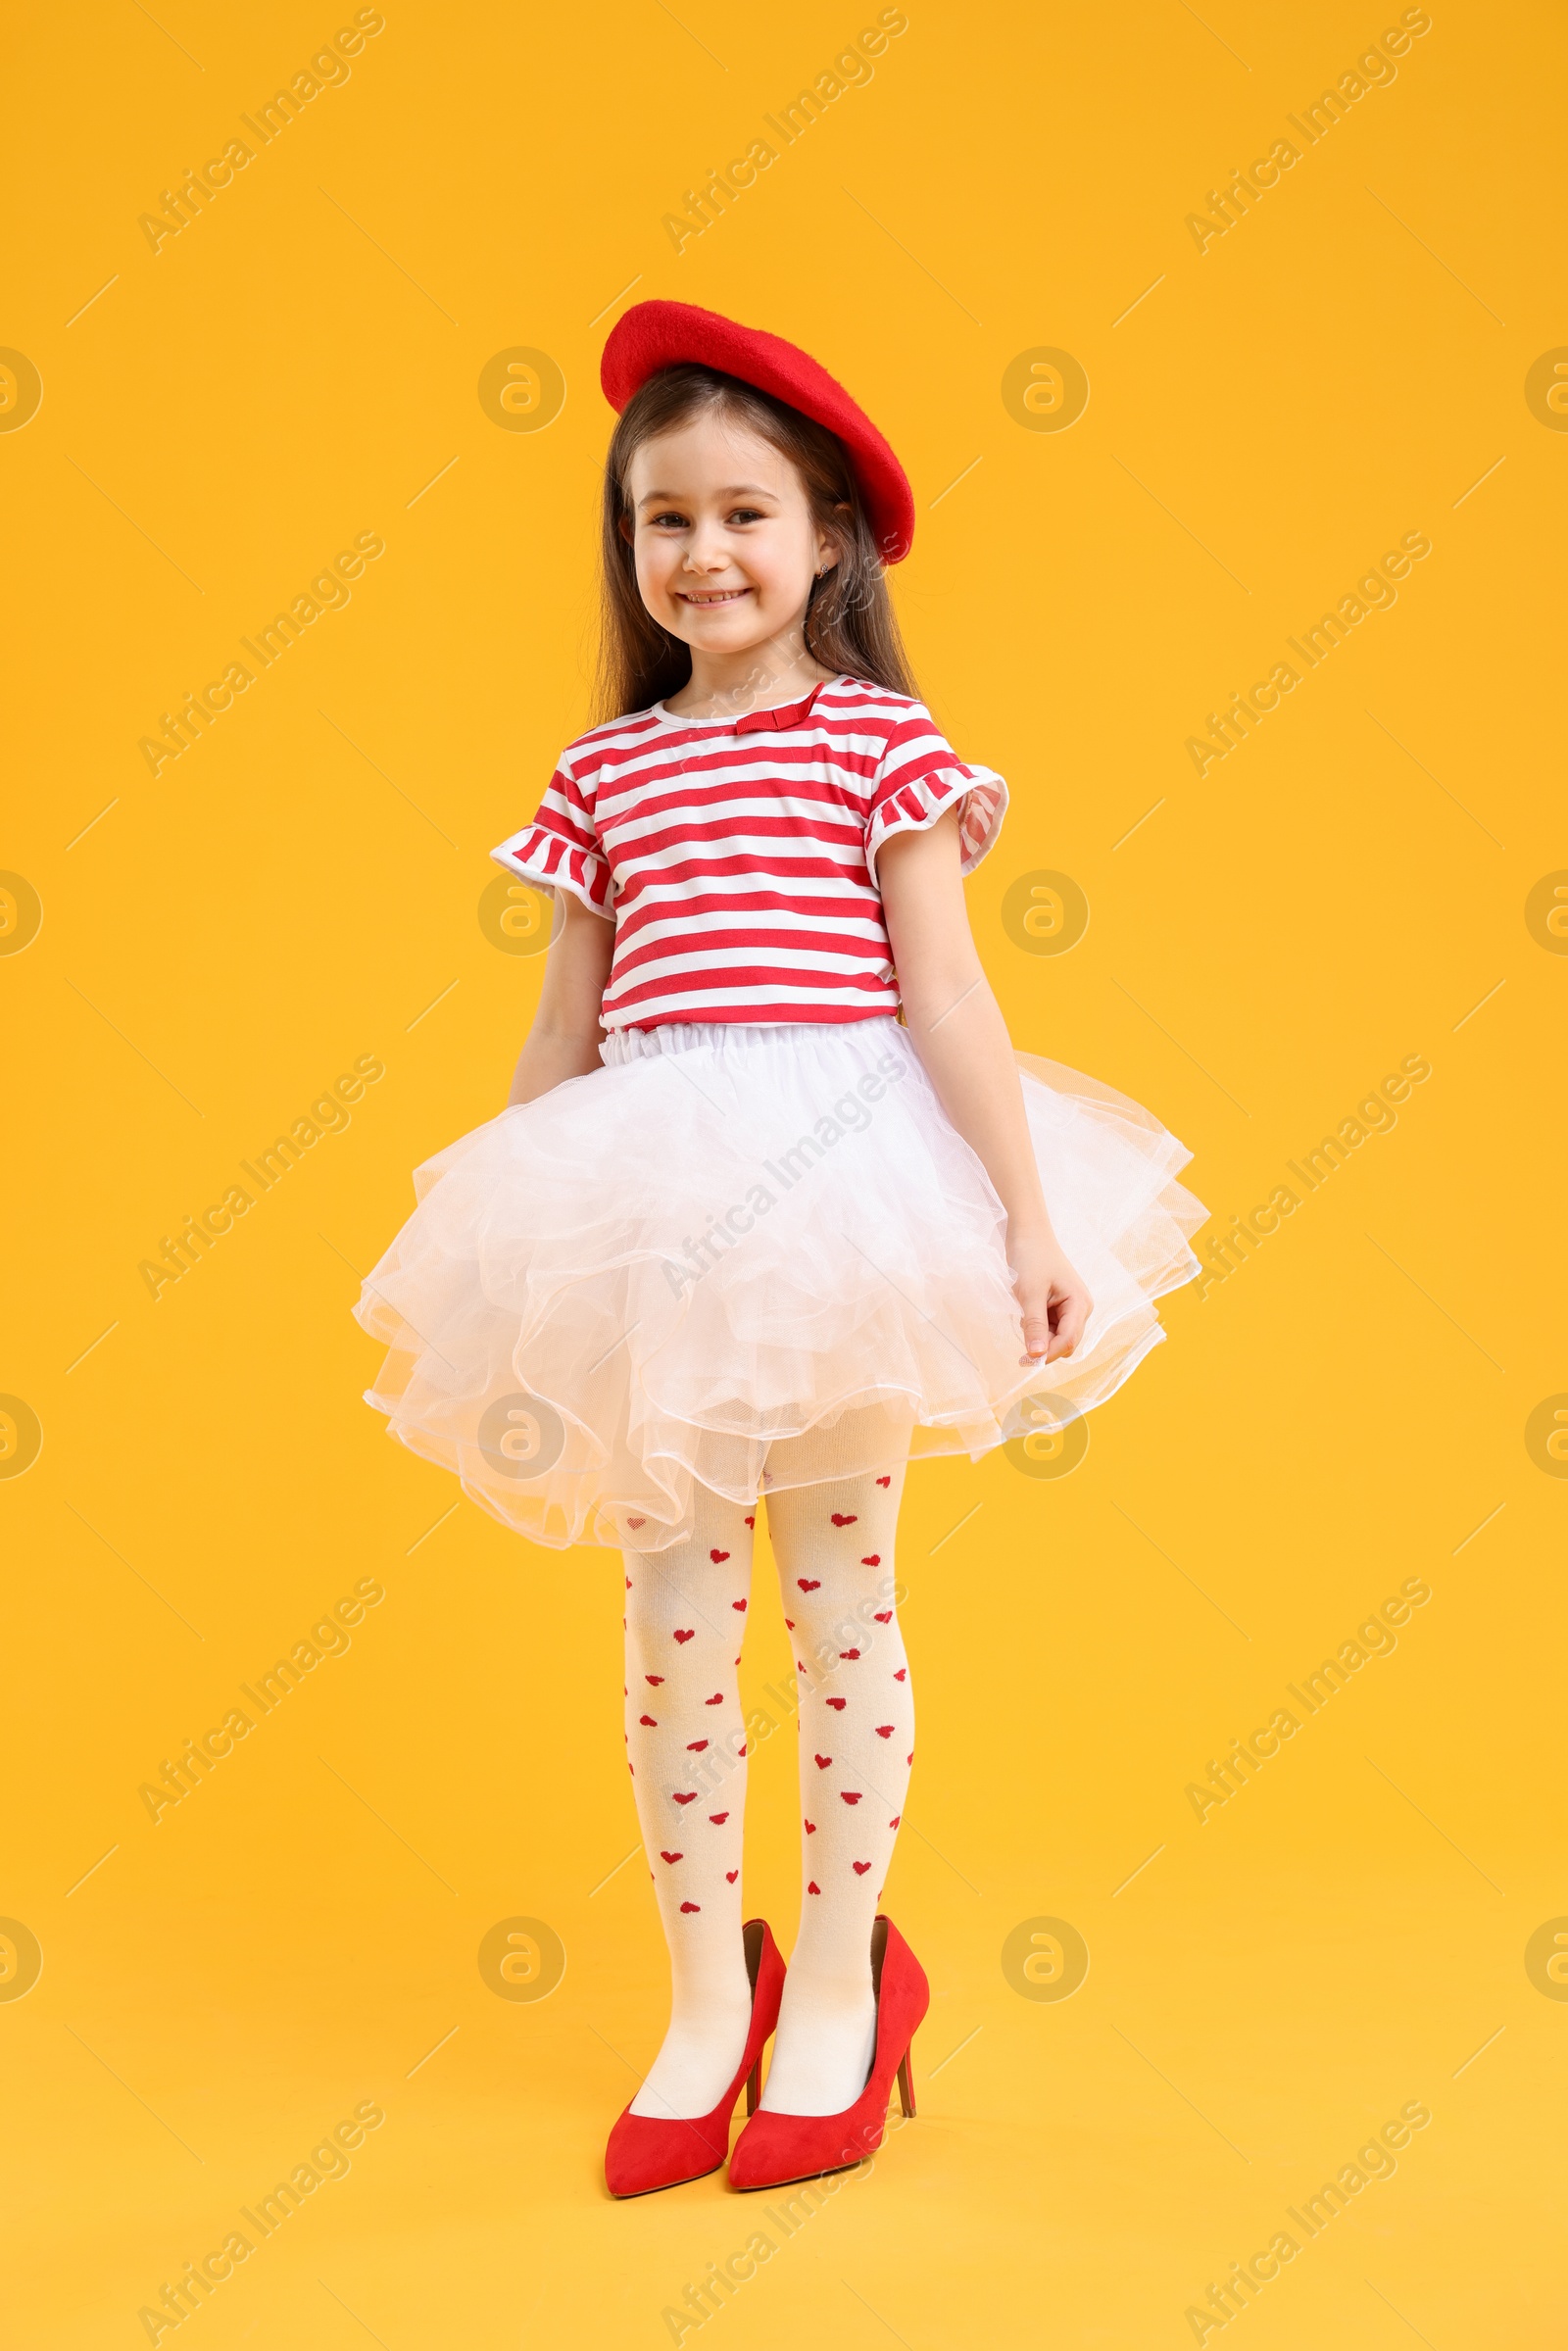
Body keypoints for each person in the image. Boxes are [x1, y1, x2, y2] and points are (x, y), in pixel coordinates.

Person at [353, 299, 1207, 2196]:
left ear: (826, 537)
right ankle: (697, 2000)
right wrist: (508, 1234)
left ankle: (839, 1980)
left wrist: (1023, 1215)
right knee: (668, 1621)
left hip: (839, 1198)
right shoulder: (606, 774)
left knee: (835, 1608)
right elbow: (565, 1027)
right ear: (627, 548)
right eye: (663, 520)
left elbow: (950, 1001)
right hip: (651, 1213)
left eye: (745, 513)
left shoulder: (876, 744)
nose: (703, 554)